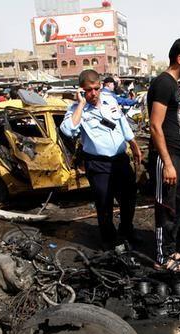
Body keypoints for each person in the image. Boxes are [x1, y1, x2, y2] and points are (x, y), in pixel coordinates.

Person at [60, 69, 143, 249]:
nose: (93, 93)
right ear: (81, 90)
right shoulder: (76, 110)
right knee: (104, 202)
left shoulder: (110, 100)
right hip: (98, 164)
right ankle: (109, 238)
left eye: (96, 88)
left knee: (129, 197)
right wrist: (81, 104)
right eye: (88, 90)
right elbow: (68, 130)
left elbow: (122, 124)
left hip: (120, 160)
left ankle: (127, 229)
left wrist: (134, 145)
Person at [147, 38, 180, 272]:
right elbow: (155, 126)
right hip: (164, 157)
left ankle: (170, 249)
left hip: (176, 155)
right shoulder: (163, 83)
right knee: (165, 207)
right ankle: (161, 256)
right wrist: (167, 163)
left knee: (176, 205)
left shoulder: (174, 85)